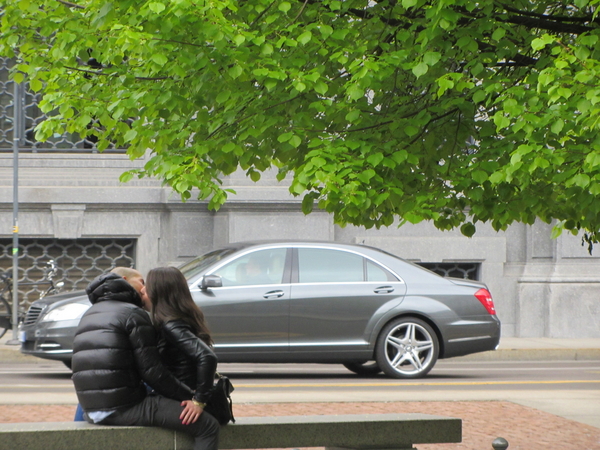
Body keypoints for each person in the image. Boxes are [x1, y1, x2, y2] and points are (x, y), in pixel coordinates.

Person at [71, 268, 219, 450]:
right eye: (142, 282)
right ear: (125, 281)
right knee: (208, 426)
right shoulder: (133, 314)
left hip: (90, 410)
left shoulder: (91, 313)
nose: (142, 290)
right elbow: (152, 372)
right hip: (123, 407)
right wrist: (195, 399)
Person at [143, 266, 218, 411]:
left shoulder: (171, 325)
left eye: (147, 287)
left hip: (181, 399)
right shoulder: (181, 318)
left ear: (158, 292)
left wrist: (199, 401)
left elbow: (207, 356)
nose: (142, 291)